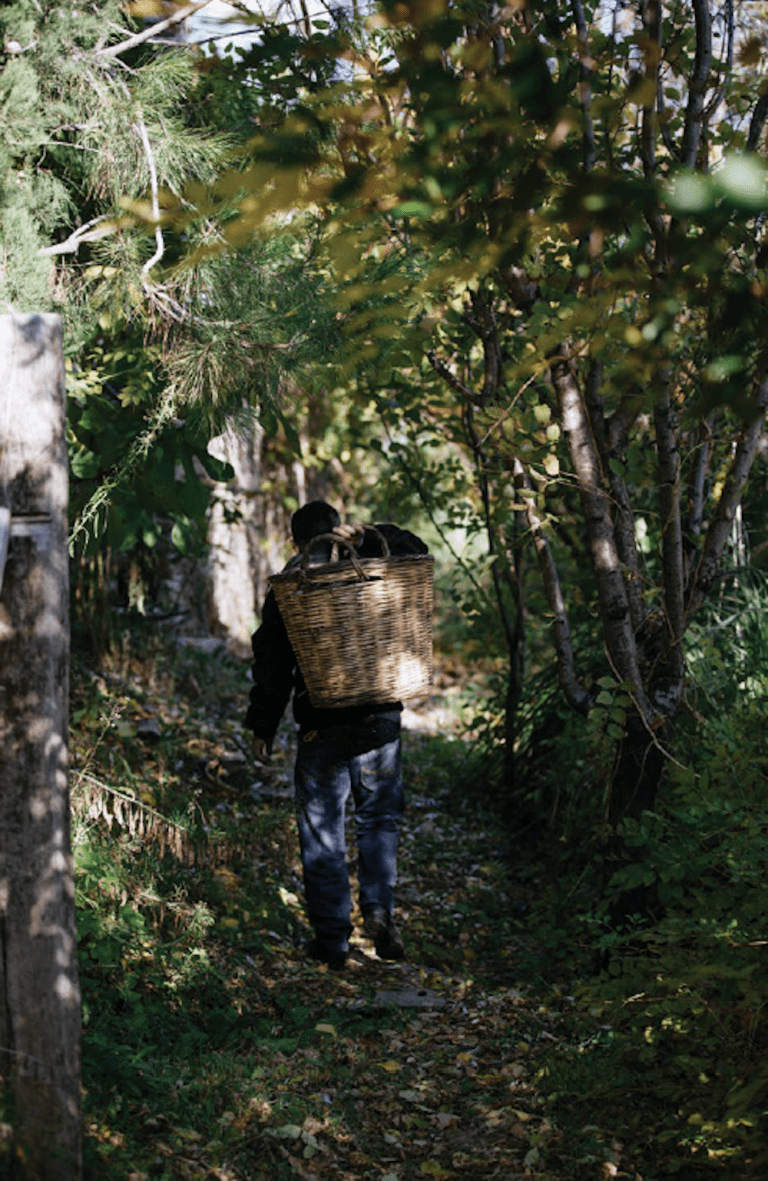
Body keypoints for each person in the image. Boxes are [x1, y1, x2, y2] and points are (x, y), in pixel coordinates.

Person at [244, 499, 428, 970]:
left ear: (295, 541)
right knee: (378, 820)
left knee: (322, 828)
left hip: (321, 723)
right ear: (338, 528)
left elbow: (272, 661)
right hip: (379, 715)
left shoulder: (292, 585)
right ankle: (379, 912)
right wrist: (368, 535)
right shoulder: (370, 563)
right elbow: (417, 549)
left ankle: (332, 941)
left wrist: (262, 725)